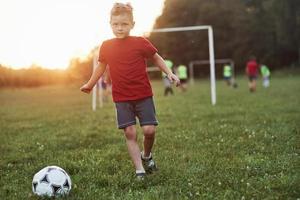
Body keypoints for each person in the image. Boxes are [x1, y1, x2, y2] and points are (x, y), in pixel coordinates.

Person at [80, 2, 180, 180]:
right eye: (116, 24)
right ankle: (139, 170)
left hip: (143, 95)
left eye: (124, 24)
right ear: (110, 24)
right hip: (122, 98)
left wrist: (170, 73)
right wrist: (90, 84)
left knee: (149, 130)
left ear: (132, 24)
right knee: (130, 132)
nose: (119, 28)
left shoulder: (140, 42)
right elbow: (100, 67)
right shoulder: (106, 46)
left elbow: (156, 58)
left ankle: (147, 156)